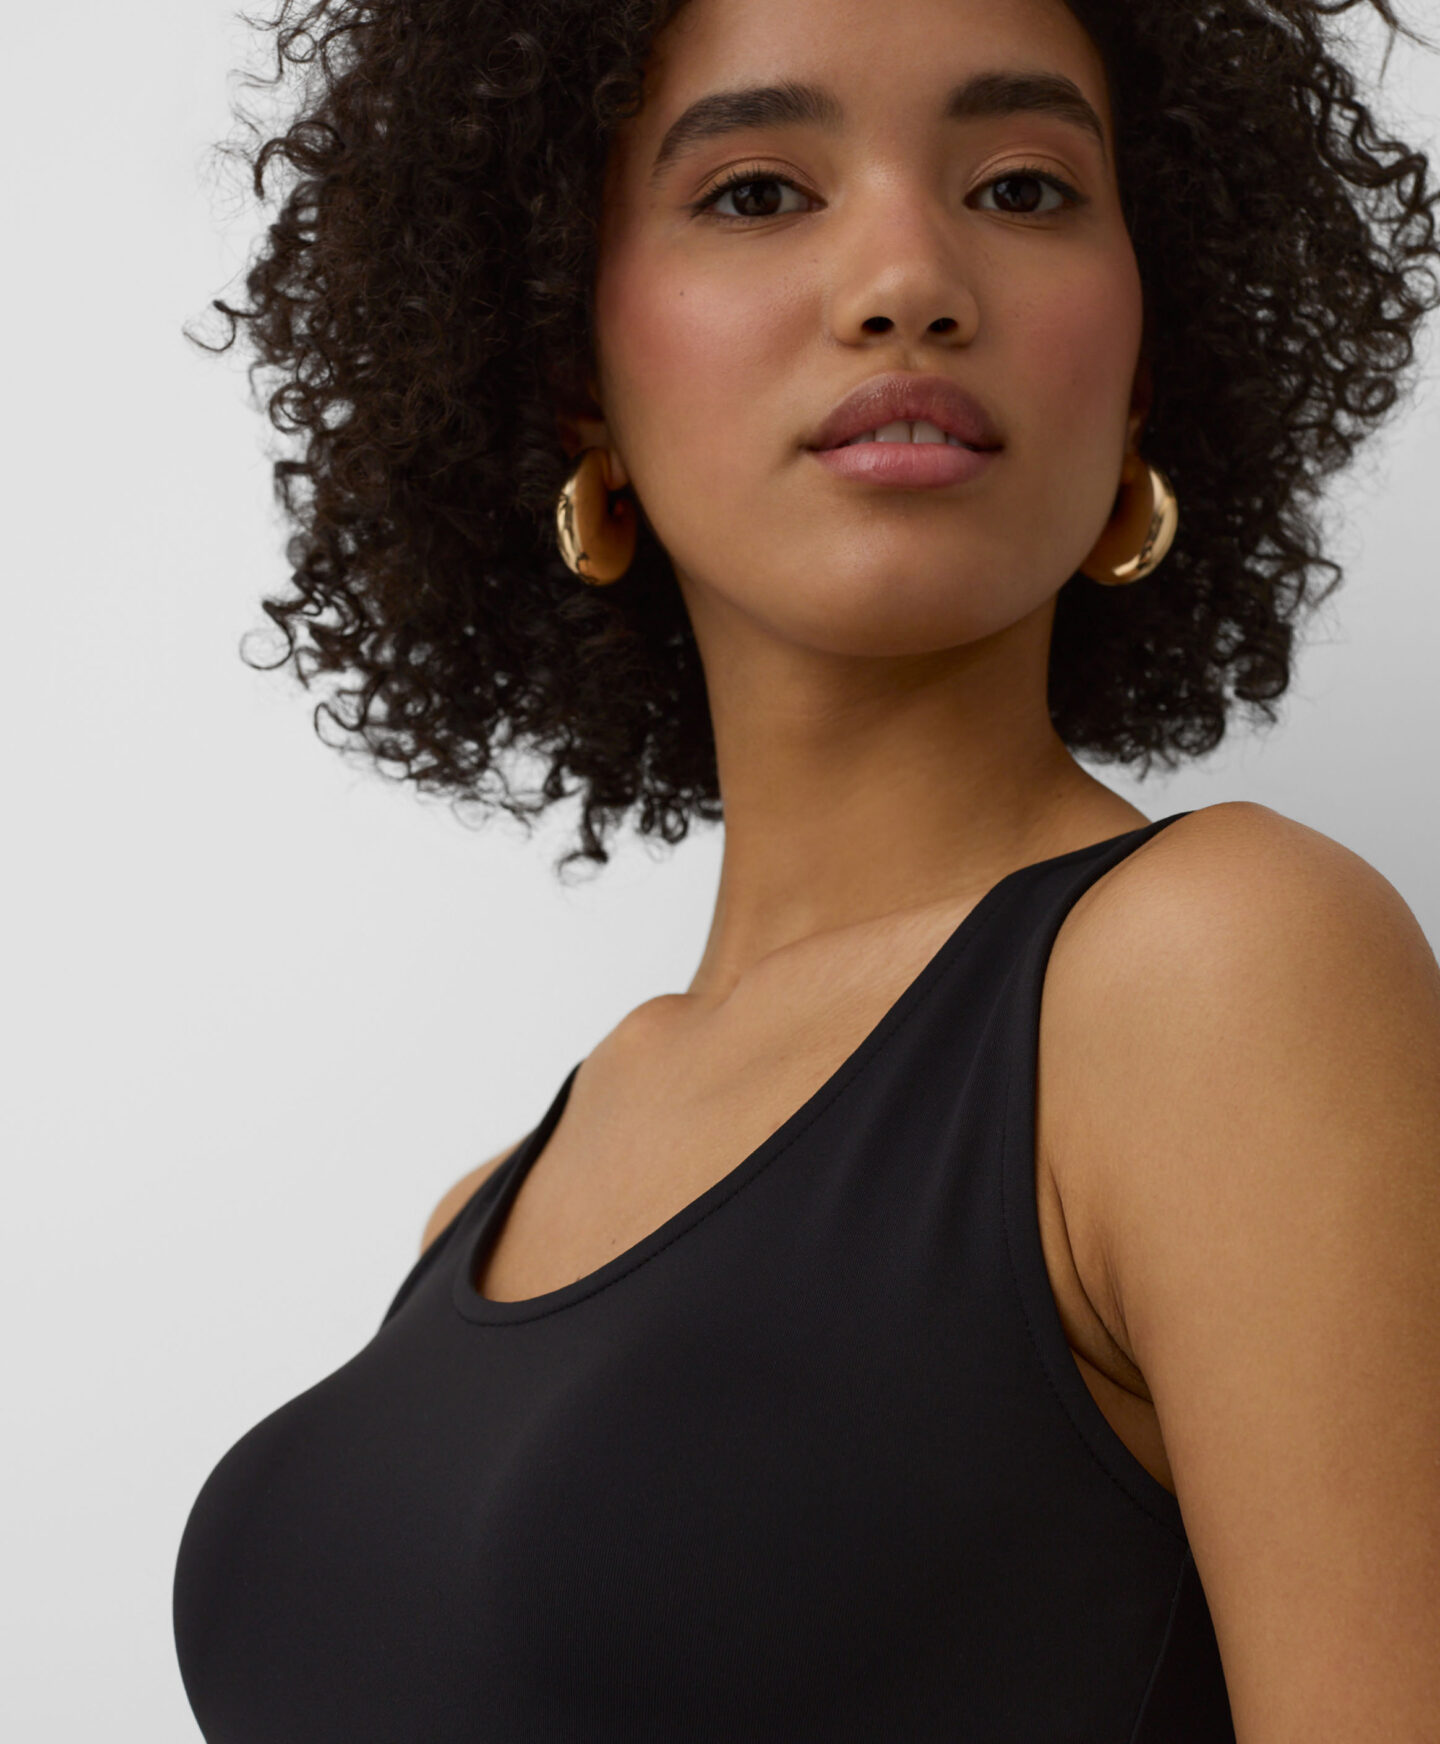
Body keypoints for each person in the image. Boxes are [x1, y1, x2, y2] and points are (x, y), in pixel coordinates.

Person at [173, 0, 1440, 1737]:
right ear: (574, 372)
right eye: (758, 193)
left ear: (1146, 364)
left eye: (1022, 186)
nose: (910, 279)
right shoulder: (484, 1210)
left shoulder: (1221, 975)